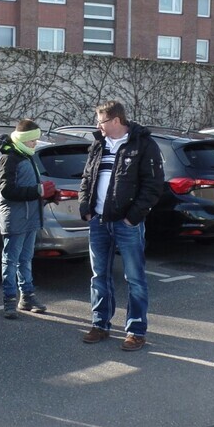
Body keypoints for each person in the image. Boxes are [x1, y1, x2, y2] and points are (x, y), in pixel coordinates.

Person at [77, 101, 164, 351]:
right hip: (98, 222)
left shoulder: (144, 144)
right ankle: (100, 324)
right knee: (99, 276)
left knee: (134, 279)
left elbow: (154, 185)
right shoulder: (99, 144)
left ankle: (136, 331)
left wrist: (132, 217)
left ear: (116, 121)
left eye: (101, 121)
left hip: (127, 224)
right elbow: (86, 178)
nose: (98, 126)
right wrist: (86, 209)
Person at [0, 119, 56, 319]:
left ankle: (27, 296)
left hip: (30, 217)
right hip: (15, 218)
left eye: (36, 140)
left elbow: (30, 188)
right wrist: (38, 190)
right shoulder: (9, 159)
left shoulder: (27, 156)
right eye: (31, 141)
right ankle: (9, 300)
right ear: (22, 140)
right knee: (10, 260)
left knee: (25, 259)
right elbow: (6, 190)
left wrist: (49, 195)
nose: (35, 144)